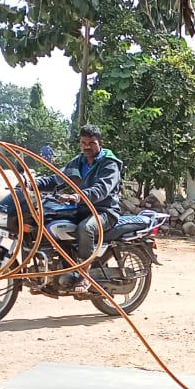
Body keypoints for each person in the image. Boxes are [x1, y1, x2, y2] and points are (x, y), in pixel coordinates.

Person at [35, 125, 123, 291]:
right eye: (83, 143)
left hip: (104, 211)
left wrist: (77, 196)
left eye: (91, 143)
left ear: (100, 143)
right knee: (50, 220)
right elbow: (56, 178)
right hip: (81, 209)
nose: (87, 147)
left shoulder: (110, 164)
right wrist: (31, 184)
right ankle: (59, 268)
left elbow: (101, 189)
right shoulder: (77, 161)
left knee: (85, 228)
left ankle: (85, 275)